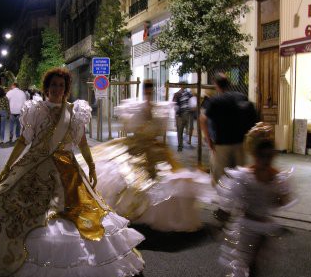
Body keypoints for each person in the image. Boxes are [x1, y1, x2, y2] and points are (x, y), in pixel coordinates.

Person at [0, 68, 144, 277]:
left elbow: (81, 143)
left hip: (66, 170)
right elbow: (24, 141)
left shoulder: (75, 111)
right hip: (33, 166)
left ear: (66, 89)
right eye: (53, 85)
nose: (56, 90)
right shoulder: (35, 110)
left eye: (61, 86)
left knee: (72, 212)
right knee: (12, 207)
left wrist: (91, 165)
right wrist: (8, 166)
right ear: (46, 88)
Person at [80, 80, 213, 232]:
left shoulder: (158, 110)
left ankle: (152, 213)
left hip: (154, 151)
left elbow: (157, 133)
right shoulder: (134, 108)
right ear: (144, 92)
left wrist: (159, 147)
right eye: (147, 92)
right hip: (136, 148)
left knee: (167, 178)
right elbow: (128, 127)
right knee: (128, 179)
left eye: (150, 92)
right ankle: (133, 212)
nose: (149, 95)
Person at [217, 123, 295, 277]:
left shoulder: (276, 177)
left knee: (255, 269)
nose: (266, 161)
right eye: (262, 156)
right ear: (255, 155)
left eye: (269, 156)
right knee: (251, 268)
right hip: (247, 228)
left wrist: (278, 191)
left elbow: (280, 202)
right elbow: (230, 204)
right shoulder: (243, 177)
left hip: (265, 227)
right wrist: (222, 218)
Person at [200, 73, 257, 220]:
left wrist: (208, 139)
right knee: (241, 176)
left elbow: (203, 119)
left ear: (216, 85)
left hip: (221, 145)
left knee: (221, 178)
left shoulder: (215, 100)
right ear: (229, 83)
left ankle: (224, 209)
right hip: (239, 143)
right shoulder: (240, 97)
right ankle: (243, 208)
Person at [173, 82, 193, 152]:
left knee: (188, 129)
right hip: (180, 115)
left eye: (184, 85)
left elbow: (192, 102)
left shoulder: (188, 94)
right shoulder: (176, 94)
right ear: (180, 86)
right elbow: (175, 105)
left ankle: (184, 141)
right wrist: (177, 113)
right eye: (182, 85)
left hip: (187, 114)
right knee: (180, 131)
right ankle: (180, 146)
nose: (183, 86)